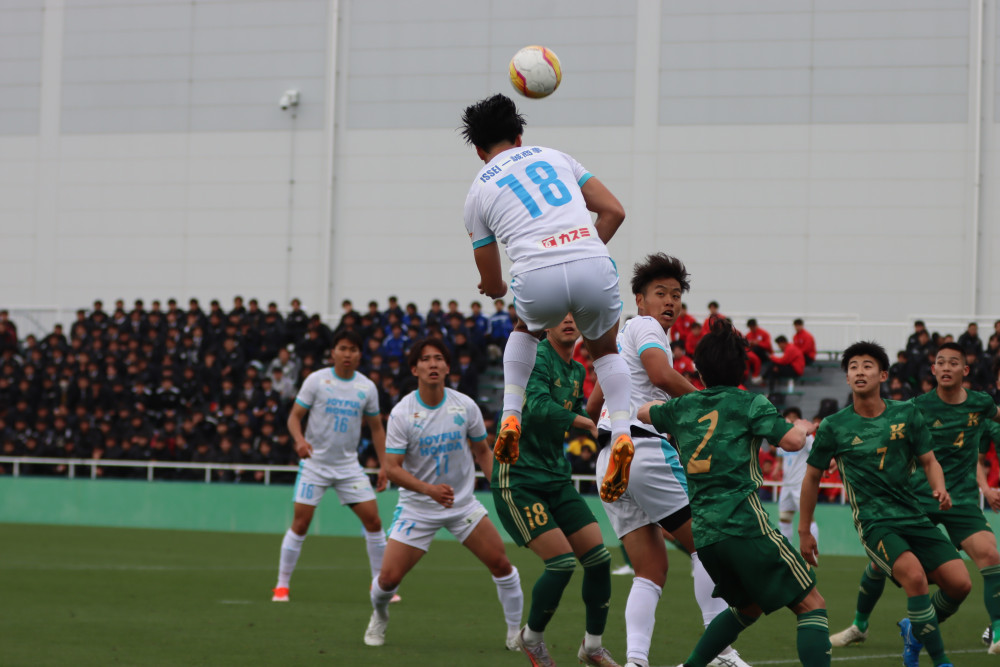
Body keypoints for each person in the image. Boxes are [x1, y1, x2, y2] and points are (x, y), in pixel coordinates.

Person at [460, 93, 635, 504]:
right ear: (519, 137)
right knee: (605, 351)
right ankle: (622, 433)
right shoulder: (557, 157)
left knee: (525, 329)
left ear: (479, 151)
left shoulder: (477, 191)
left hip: (537, 276)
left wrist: (493, 288)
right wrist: (582, 251)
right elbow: (614, 211)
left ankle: (510, 416)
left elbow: (493, 281)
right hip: (591, 261)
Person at [588, 254, 749, 667]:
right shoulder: (647, 328)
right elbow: (660, 376)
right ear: (639, 300)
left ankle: (636, 661)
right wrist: (711, 404)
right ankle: (721, 653)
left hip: (610, 456)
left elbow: (592, 404)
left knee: (650, 570)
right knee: (707, 545)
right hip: (643, 449)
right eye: (660, 293)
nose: (670, 302)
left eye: (676, 295)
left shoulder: (621, 337)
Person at [637, 322, 828, 667]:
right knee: (812, 604)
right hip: (744, 525)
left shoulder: (681, 407)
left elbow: (644, 412)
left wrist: (683, 403)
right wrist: (802, 427)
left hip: (705, 536)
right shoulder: (750, 403)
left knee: (746, 607)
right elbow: (791, 442)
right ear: (743, 370)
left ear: (699, 370)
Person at [799, 341, 969, 667]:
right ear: (847, 378)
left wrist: (939, 488)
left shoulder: (906, 413)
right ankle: (941, 662)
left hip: (914, 516)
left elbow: (929, 461)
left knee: (960, 584)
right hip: (875, 522)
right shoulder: (834, 425)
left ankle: (913, 628)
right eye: (853, 367)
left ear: (883, 375)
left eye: (867, 366)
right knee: (915, 578)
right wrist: (804, 530)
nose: (859, 372)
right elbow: (812, 478)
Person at [829, 342, 1000, 655]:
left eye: (953, 363)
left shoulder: (981, 403)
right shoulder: (914, 407)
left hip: (960, 500)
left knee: (989, 555)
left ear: (965, 370)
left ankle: (992, 632)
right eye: (940, 362)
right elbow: (877, 430)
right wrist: (837, 453)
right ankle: (859, 625)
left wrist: (984, 487)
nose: (946, 368)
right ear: (932, 369)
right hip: (916, 498)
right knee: (879, 564)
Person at [365, 338, 523, 648]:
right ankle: (379, 615)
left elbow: (482, 451)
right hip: (418, 508)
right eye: (425, 359)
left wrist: (502, 488)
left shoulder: (465, 405)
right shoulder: (402, 413)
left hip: (462, 506)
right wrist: (429, 490)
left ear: (448, 367)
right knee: (387, 580)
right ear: (415, 369)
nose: (433, 364)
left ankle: (514, 633)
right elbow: (392, 468)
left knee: (502, 565)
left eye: (439, 358)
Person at [492, 313, 620, 667]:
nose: (568, 320)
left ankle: (592, 646)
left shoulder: (577, 370)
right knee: (561, 564)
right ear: (545, 324)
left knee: (599, 559)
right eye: (559, 315)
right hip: (519, 478)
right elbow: (536, 406)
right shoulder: (533, 356)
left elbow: (577, 410)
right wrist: (586, 423)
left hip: (556, 478)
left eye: (573, 315)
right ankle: (531, 638)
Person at [272, 330, 389, 603]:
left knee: (374, 521)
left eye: (353, 349)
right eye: (343, 348)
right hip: (315, 465)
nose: (348, 354)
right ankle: (281, 585)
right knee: (301, 523)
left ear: (360, 355)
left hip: (349, 467)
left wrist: (385, 465)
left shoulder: (366, 387)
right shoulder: (316, 380)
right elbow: (294, 417)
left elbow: (377, 429)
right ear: (333, 352)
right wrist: (299, 440)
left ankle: (380, 585)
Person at [772, 407, 818, 548]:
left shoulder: (807, 437)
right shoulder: (783, 437)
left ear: (799, 419)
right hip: (787, 485)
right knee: (784, 520)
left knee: (808, 520)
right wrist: (776, 469)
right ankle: (787, 552)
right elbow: (780, 460)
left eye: (794, 417)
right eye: (788, 416)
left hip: (801, 484)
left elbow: (816, 453)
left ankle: (813, 553)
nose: (791, 419)